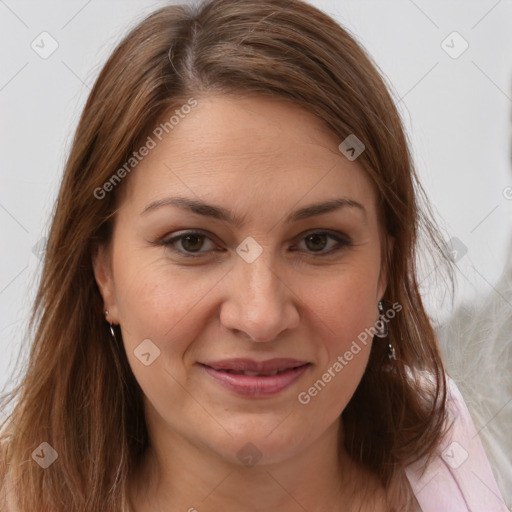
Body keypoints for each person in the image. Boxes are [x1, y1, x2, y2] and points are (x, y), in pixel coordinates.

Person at [0, 0, 507, 510]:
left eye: (318, 241)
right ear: (104, 273)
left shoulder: (486, 463)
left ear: (386, 269)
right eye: (192, 242)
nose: (261, 317)